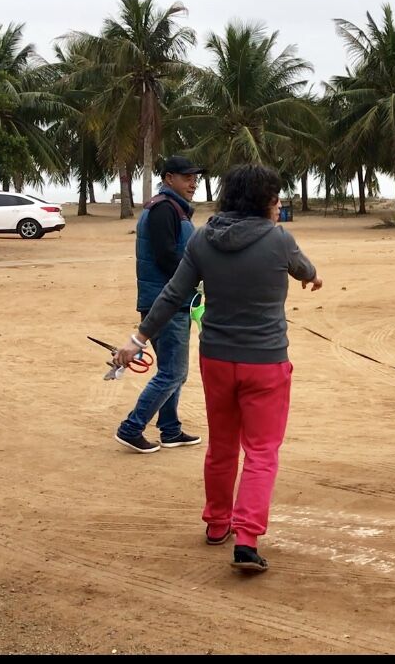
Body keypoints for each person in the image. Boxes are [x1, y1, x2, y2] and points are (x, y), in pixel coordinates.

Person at [114, 164, 322, 573]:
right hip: (266, 362)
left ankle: (216, 523)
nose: (279, 205)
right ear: (265, 201)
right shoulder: (279, 239)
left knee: (222, 446)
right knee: (261, 451)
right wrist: (313, 279)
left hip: (218, 361)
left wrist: (137, 340)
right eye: (276, 198)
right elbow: (305, 269)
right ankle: (246, 539)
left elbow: (173, 294)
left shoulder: (203, 238)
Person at [114, 155, 206, 454]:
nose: (193, 183)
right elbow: (167, 257)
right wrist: (197, 276)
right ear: (169, 178)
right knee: (173, 372)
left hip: (171, 301)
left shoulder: (172, 207)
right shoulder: (164, 209)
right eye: (187, 177)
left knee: (172, 369)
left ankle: (170, 430)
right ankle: (131, 428)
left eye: (195, 178)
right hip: (165, 303)